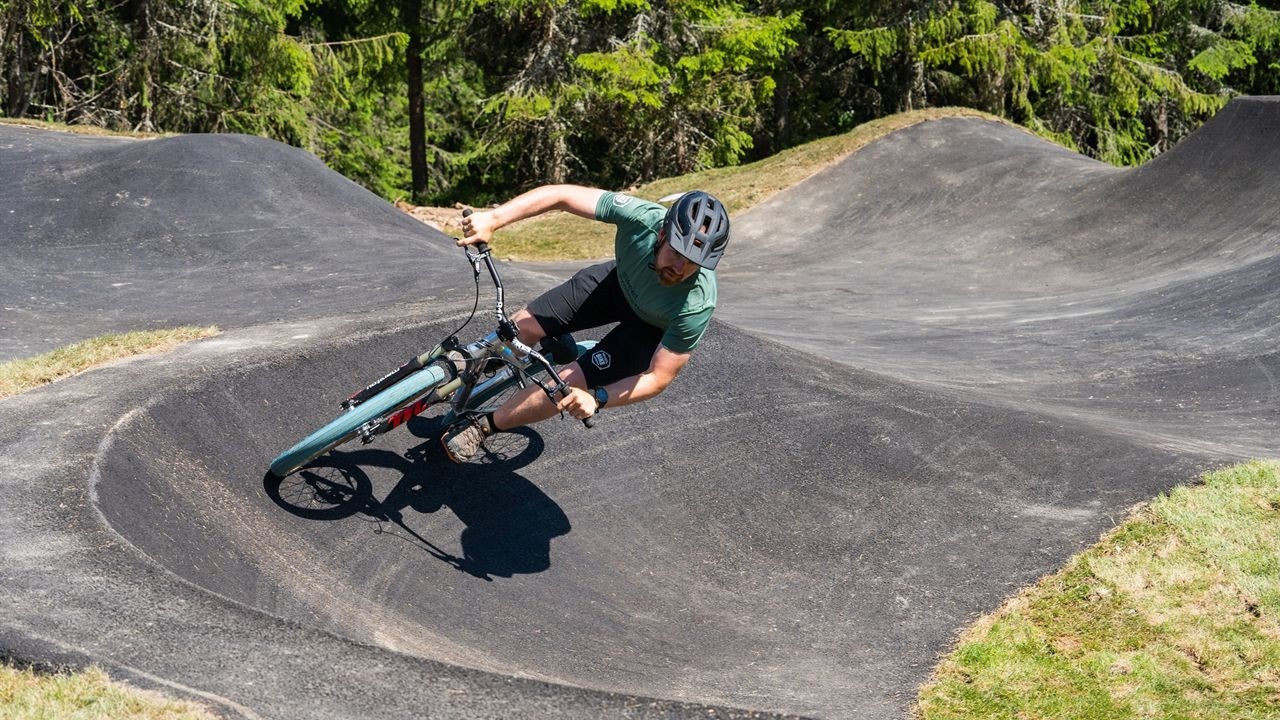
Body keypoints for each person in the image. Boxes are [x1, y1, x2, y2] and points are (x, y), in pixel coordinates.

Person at [441, 184, 730, 462]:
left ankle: (482, 428)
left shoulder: (697, 303)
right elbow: (562, 196)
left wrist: (597, 398)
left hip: (647, 330)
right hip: (616, 285)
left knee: (566, 386)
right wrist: (493, 218)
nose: (680, 269)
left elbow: (658, 378)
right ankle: (488, 360)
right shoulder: (643, 218)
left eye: (693, 262)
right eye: (677, 253)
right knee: (522, 327)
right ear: (663, 233)